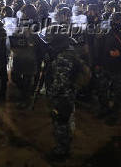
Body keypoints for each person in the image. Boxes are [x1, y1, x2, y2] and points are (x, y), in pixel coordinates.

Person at [45, 33, 88, 162]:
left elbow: (60, 83)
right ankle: (65, 143)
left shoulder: (63, 58)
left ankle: (61, 151)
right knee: (65, 120)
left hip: (62, 96)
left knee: (60, 123)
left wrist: (51, 95)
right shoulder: (70, 52)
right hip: (69, 93)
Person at [97, 12, 121, 125]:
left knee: (118, 94)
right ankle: (104, 108)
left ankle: (115, 113)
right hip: (106, 67)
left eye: (117, 20)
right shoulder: (107, 33)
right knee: (102, 90)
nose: (115, 22)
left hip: (120, 69)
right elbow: (101, 49)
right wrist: (98, 63)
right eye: (113, 20)